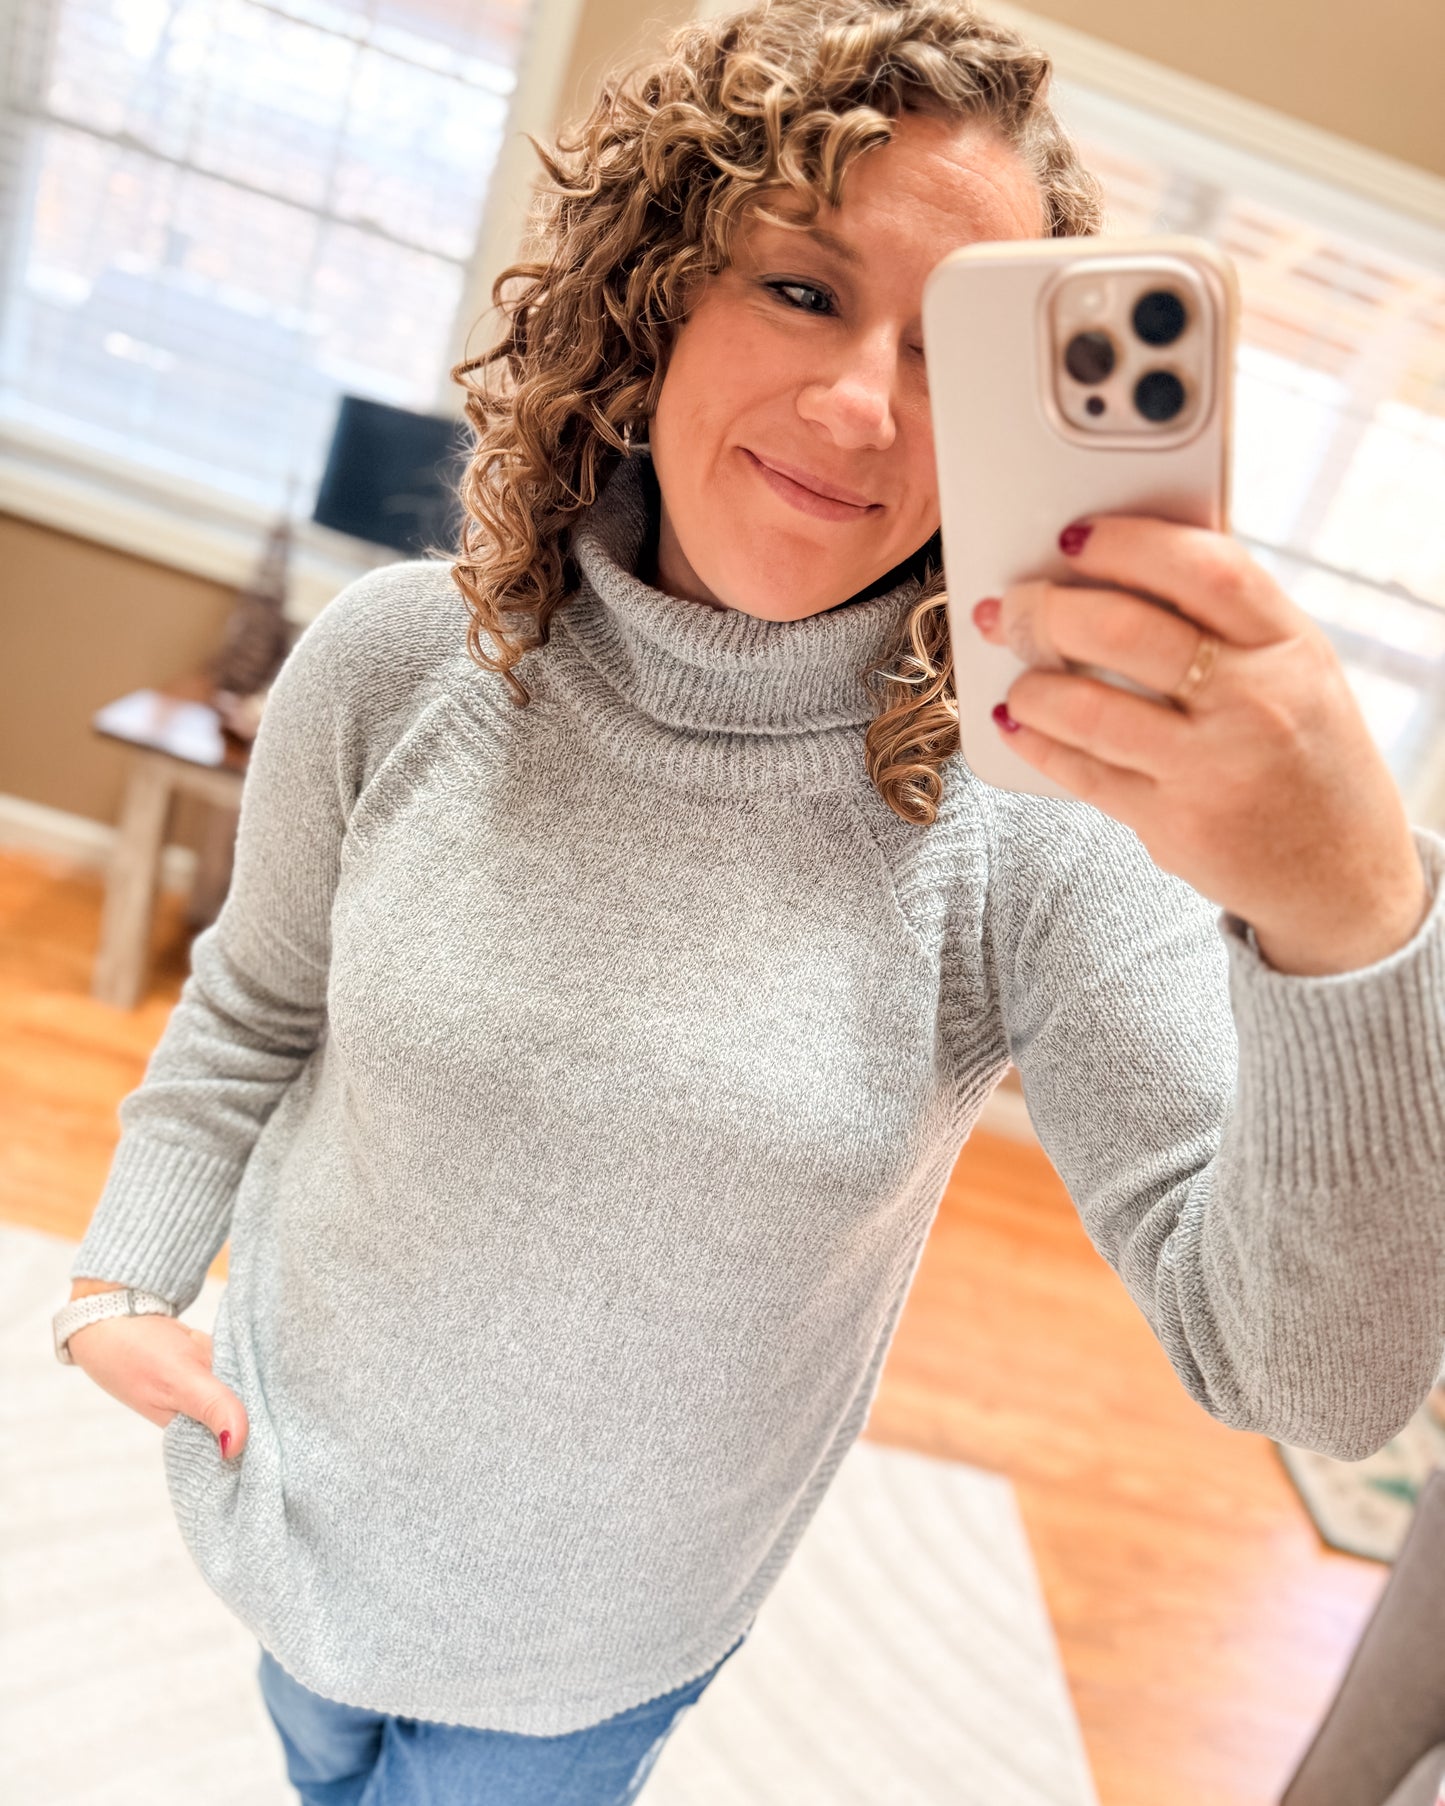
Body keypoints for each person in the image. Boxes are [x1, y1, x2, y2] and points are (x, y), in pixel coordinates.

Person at [57, 1, 1445, 1801]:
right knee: (315, 1765)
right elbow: (255, 1007)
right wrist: (123, 1273)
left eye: (948, 352)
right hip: (280, 1492)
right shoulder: (395, 664)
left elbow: (1308, 1381)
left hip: (585, 1655)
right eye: (801, 289)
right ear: (649, 307)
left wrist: (1349, 915)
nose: (863, 405)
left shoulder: (1034, 828)